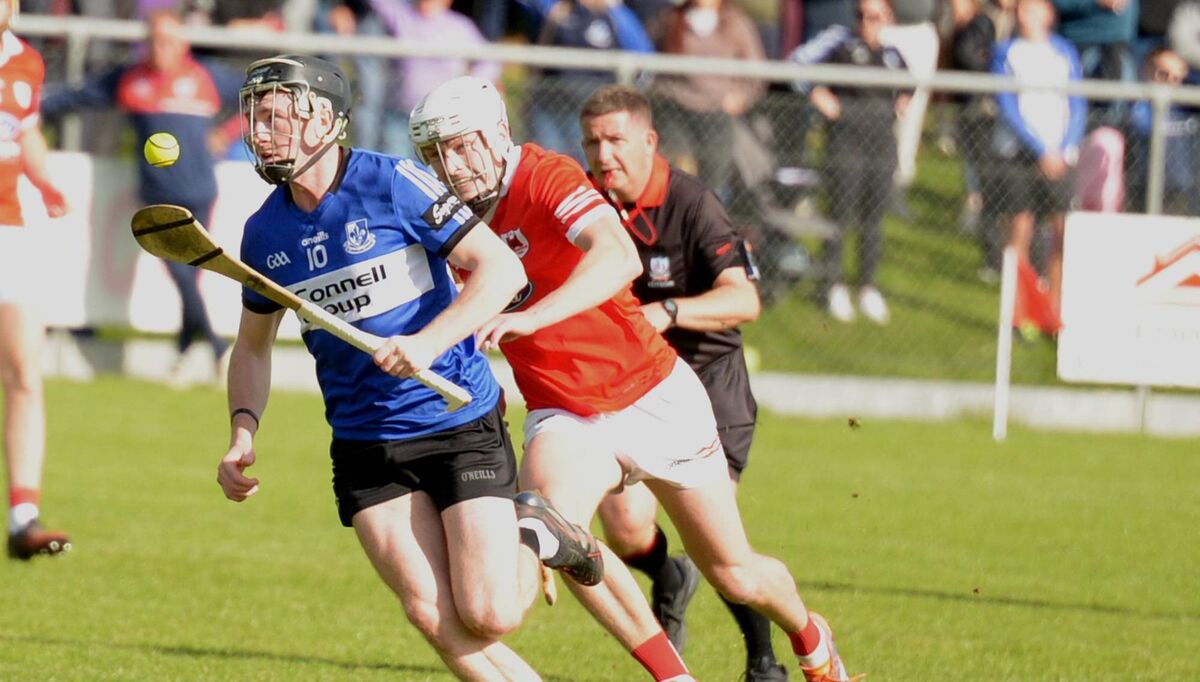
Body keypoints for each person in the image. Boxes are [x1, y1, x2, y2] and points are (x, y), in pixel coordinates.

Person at [410, 75, 861, 682]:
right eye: (436, 153)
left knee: (734, 573)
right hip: (565, 414)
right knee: (551, 528)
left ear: (498, 134)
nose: (452, 165)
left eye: (462, 146)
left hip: (654, 394)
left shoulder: (546, 175)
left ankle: (810, 636)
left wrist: (531, 316)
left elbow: (618, 255)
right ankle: (674, 677)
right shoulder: (444, 220)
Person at [219, 54, 604, 680]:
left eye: (275, 117)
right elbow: (253, 345)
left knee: (490, 613)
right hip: (364, 441)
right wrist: (243, 430)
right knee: (432, 615)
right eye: (254, 118)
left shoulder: (394, 181)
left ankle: (532, 528)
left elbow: (504, 271)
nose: (261, 133)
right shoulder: (264, 234)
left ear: (323, 121)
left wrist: (427, 343)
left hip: (454, 418)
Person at [579, 85, 787, 682]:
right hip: (634, 390)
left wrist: (666, 313)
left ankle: (763, 659)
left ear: (649, 141)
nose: (604, 153)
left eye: (616, 139)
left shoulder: (693, 204)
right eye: (593, 141)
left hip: (711, 386)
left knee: (717, 547)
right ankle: (668, 578)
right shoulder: (588, 204)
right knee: (624, 528)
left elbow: (743, 299)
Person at [41, 9, 242, 387]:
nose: (158, 48)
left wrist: (227, 133)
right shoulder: (131, 79)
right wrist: (33, 107)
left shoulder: (206, 77)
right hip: (157, 200)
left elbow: (256, 96)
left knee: (188, 280)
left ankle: (191, 352)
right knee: (182, 276)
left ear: (182, 43)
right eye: (152, 40)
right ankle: (214, 348)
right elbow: (80, 96)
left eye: (166, 40)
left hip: (200, 192)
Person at [789, 0, 911, 324]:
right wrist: (819, 97)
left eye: (875, 17)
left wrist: (901, 105)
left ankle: (867, 286)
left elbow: (908, 88)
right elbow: (798, 66)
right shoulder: (841, 46)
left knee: (873, 218)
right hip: (846, 144)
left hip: (882, 146)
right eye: (862, 16)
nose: (868, 23)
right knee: (841, 216)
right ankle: (834, 284)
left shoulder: (893, 56)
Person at [0, 0, 71, 561]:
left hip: (9, 228)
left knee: (25, 368)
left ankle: (23, 517)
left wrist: (45, 180)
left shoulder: (24, 60)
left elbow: (25, 132)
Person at [991, 0, 1086, 315]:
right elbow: (1007, 106)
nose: (1024, 15)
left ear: (1048, 14)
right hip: (1020, 154)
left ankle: (1053, 308)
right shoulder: (1006, 52)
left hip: (1061, 156)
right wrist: (1039, 149)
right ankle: (1019, 311)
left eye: (1031, 8)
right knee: (1020, 229)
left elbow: (1077, 103)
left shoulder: (1065, 51)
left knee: (1062, 232)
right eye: (1020, 9)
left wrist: (1062, 147)